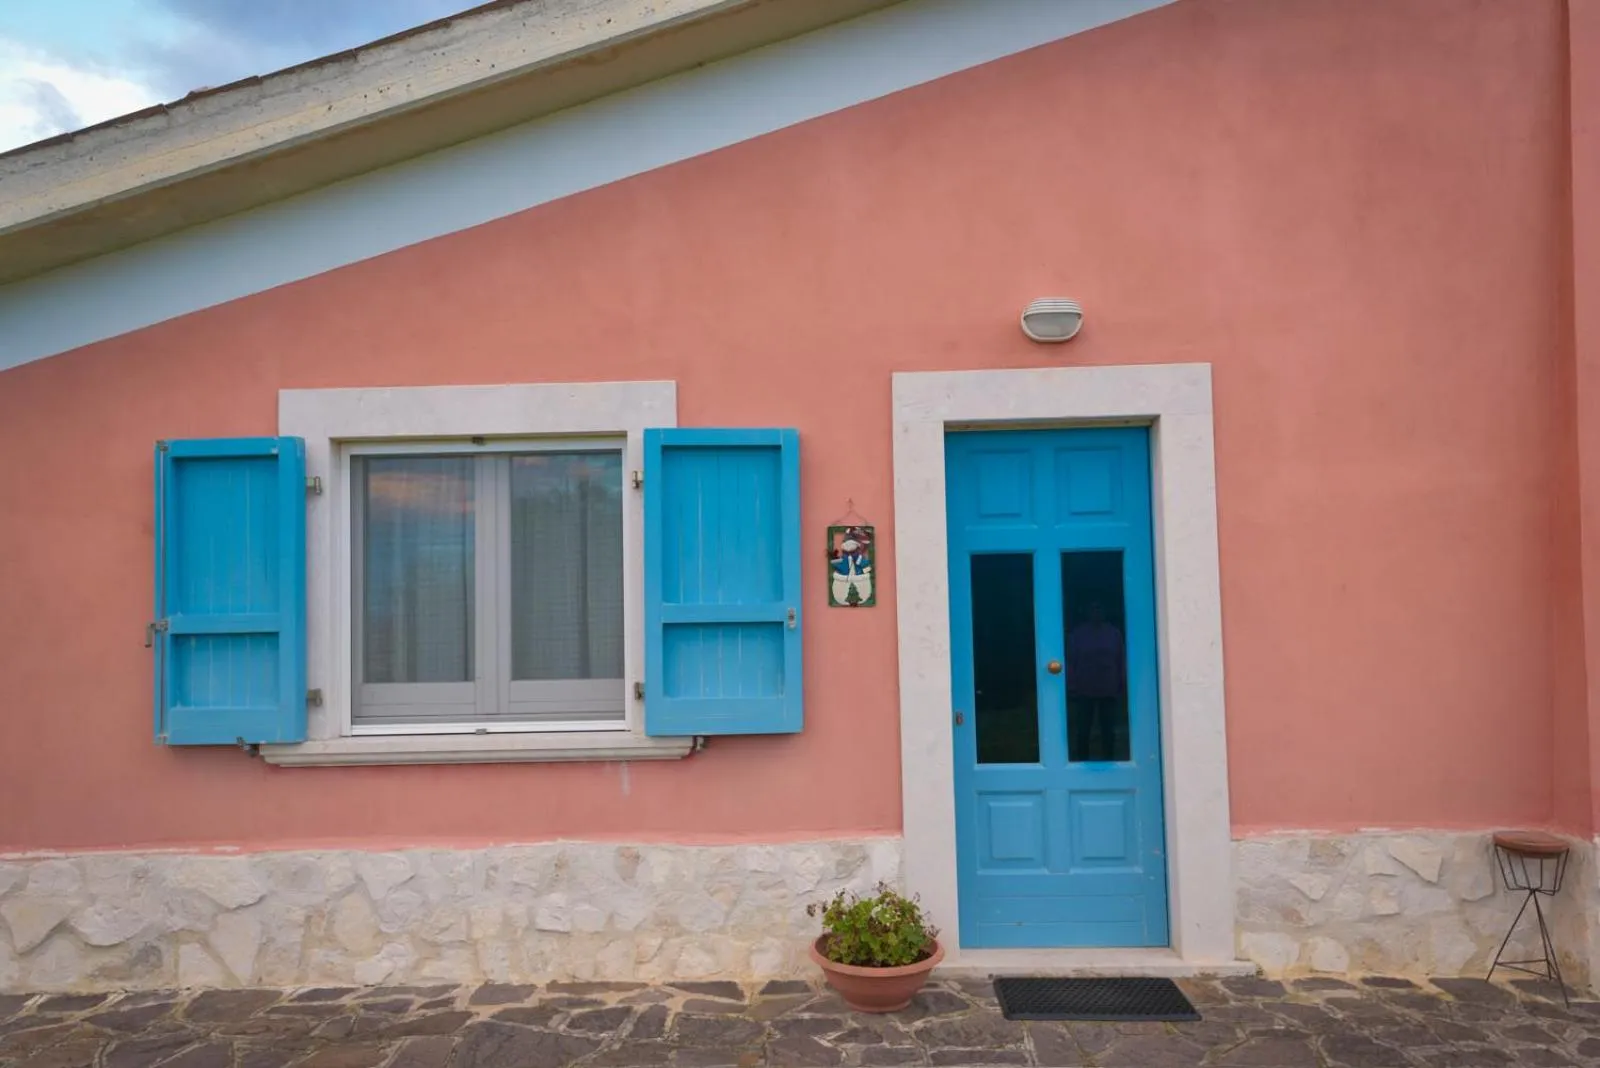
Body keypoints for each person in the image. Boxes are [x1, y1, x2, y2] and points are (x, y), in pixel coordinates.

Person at [1066, 600, 1125, 760]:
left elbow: (1120, 660)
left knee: (1108, 728)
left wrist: (1121, 683)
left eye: (1099, 608)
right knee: (1083, 728)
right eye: (1093, 608)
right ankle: (1082, 761)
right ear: (1087, 611)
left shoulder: (1114, 634)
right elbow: (1070, 661)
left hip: (1109, 688)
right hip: (1084, 688)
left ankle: (1109, 759)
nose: (1096, 612)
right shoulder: (1077, 635)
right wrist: (1071, 685)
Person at [830, 529, 873, 606]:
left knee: (862, 588)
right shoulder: (844, 559)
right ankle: (843, 599)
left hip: (860, 577)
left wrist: (865, 569)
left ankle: (861, 598)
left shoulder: (860, 558)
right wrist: (834, 558)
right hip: (844, 578)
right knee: (842, 590)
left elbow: (865, 564)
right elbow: (839, 565)